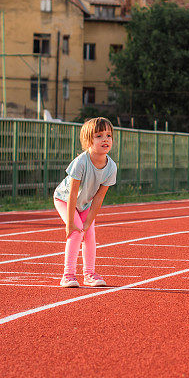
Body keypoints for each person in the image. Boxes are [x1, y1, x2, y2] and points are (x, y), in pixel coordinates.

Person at [53, 117, 117, 288]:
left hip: (86, 204)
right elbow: (73, 192)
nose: (105, 139)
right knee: (75, 232)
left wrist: (88, 221)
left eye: (108, 135)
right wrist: (70, 224)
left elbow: (99, 197)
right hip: (65, 200)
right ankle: (68, 275)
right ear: (89, 141)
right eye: (99, 136)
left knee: (89, 235)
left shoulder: (111, 167)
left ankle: (89, 274)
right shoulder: (81, 162)